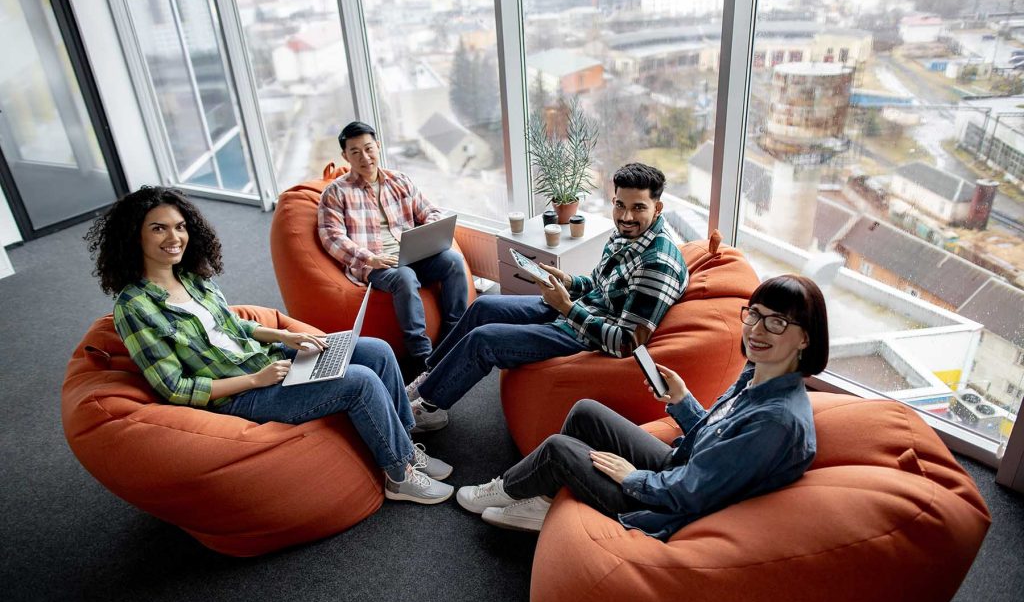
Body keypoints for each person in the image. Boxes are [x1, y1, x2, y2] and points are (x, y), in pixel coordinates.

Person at [86, 185, 454, 505]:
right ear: (135, 236)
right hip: (240, 396)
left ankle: (405, 447)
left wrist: (284, 336)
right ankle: (399, 476)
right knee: (359, 381)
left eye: (180, 226)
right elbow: (176, 389)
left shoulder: (192, 279)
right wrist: (254, 381)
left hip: (270, 361)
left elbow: (231, 325)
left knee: (377, 350)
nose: (174, 237)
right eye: (158, 229)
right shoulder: (134, 308)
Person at [456, 274, 828, 538]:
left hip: (668, 507)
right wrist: (683, 403)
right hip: (680, 468)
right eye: (756, 314)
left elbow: (693, 492)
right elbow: (717, 444)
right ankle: (544, 500)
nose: (758, 330)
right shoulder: (757, 374)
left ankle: (506, 488)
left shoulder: (775, 421)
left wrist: (630, 476)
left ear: (805, 339)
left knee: (558, 450)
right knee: (586, 410)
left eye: (777, 322)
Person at [406, 162, 687, 433]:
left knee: (484, 340)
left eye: (638, 208)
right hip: (581, 310)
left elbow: (627, 343)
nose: (626, 217)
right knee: (482, 305)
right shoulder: (630, 234)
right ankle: (432, 376)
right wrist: (567, 281)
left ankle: (431, 408)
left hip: (587, 335)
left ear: (657, 207)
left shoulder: (656, 263)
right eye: (620, 205)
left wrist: (565, 307)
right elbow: (599, 284)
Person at [318, 121, 468, 374]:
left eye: (369, 148)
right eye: (355, 152)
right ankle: (422, 357)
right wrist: (369, 258)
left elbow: (430, 211)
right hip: (376, 263)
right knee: (404, 277)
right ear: (345, 156)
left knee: (453, 261)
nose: (365, 157)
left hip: (414, 252)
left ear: (378, 146)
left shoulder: (399, 180)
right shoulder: (335, 192)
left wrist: (427, 233)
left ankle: (455, 337)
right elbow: (331, 237)